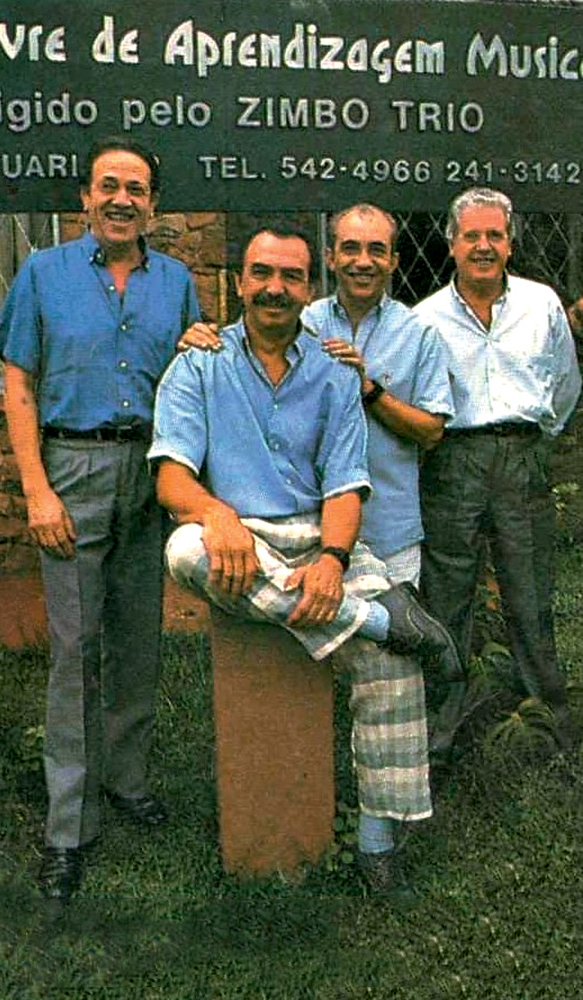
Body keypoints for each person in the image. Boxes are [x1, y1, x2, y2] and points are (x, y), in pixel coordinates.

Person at [148, 222, 461, 893]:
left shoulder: (333, 372)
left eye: (291, 276)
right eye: (262, 272)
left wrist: (331, 560)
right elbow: (171, 477)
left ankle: (378, 844)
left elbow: (347, 485)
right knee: (183, 550)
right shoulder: (197, 362)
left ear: (308, 289)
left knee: (392, 672)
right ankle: (380, 618)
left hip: (310, 537)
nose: (274, 288)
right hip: (235, 540)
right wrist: (217, 514)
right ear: (239, 281)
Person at [0, 136, 202, 906]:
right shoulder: (43, 275)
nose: (122, 199)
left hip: (150, 471)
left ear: (153, 204)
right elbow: (17, 385)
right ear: (85, 198)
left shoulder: (176, 282)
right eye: (108, 185)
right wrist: (36, 490)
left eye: (137, 188)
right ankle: (68, 829)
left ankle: (128, 780)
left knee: (137, 637)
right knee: (76, 651)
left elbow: (193, 374)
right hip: (71, 469)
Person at [414, 187, 582, 750]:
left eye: (495, 235)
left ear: (511, 243)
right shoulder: (425, 319)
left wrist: (534, 441)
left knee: (529, 593)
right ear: (451, 244)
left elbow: (564, 383)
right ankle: (445, 730)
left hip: (523, 457)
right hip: (453, 461)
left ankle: (548, 724)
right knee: (448, 593)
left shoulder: (542, 305)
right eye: (471, 236)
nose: (483, 246)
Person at [301, 203, 454, 588]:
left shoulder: (420, 334)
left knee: (397, 639)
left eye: (377, 250)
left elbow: (431, 431)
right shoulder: (302, 325)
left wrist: (369, 391)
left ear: (395, 261)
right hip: (310, 527)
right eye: (351, 249)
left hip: (391, 529)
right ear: (331, 258)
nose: (363, 262)